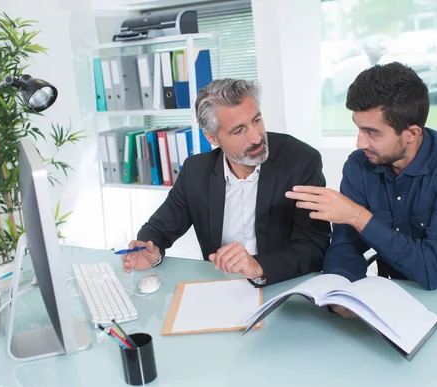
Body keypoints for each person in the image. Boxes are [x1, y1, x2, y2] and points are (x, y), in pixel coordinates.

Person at [285, 62, 437, 316]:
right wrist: (341, 290)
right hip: (405, 299)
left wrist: (357, 216)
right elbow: (346, 244)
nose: (360, 142)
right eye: (358, 128)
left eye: (372, 132)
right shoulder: (359, 166)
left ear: (412, 133)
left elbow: (434, 271)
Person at [122, 78, 331, 286]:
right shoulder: (196, 172)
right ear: (212, 138)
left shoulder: (300, 161)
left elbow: (315, 246)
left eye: (256, 120)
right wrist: (152, 252)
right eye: (239, 130)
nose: (256, 138)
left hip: (283, 287)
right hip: (221, 289)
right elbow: (157, 230)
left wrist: (258, 266)